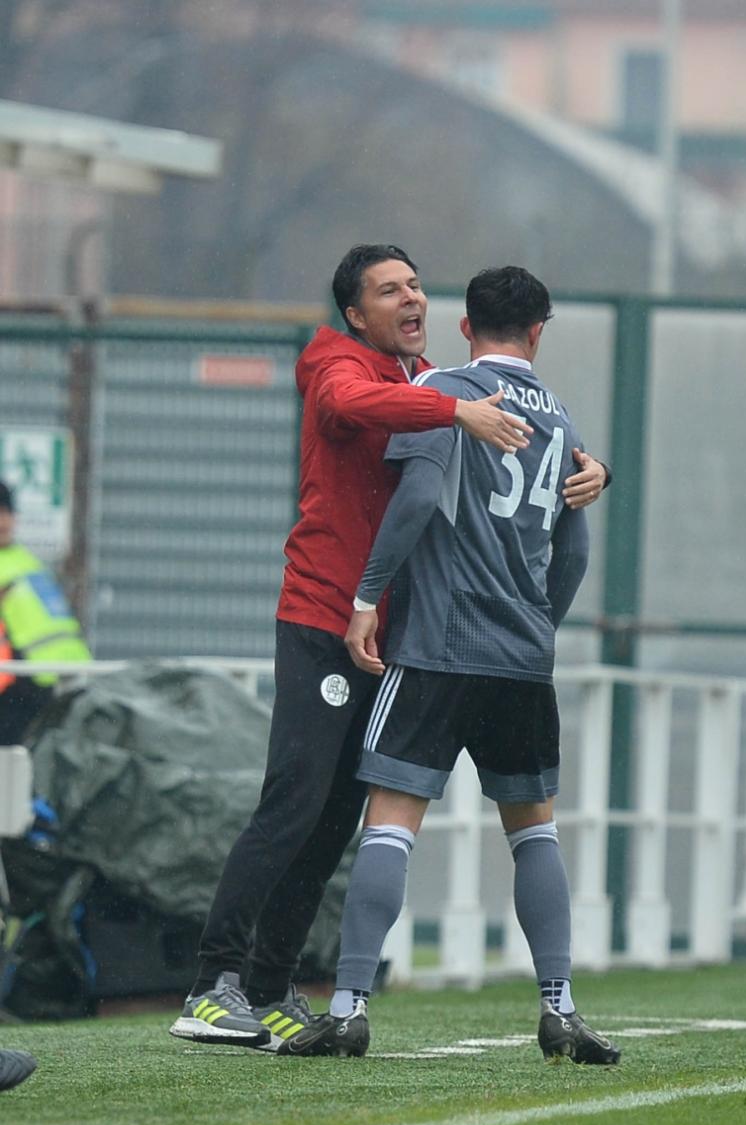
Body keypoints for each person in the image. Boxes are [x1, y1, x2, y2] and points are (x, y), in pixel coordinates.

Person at [170, 244, 608, 1050]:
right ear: (354, 314)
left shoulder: (433, 380)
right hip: (327, 614)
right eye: (388, 290)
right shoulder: (336, 363)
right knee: (296, 798)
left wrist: (593, 468)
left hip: (398, 634)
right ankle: (211, 983)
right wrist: (458, 415)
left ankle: (273, 986)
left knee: (343, 813)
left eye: (415, 285)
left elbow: (506, 446)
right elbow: (352, 404)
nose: (411, 299)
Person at [0, 481, 92, 746]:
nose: (3, 520)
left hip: (55, 678)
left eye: (7, 511)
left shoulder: (28, 561)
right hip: (16, 681)